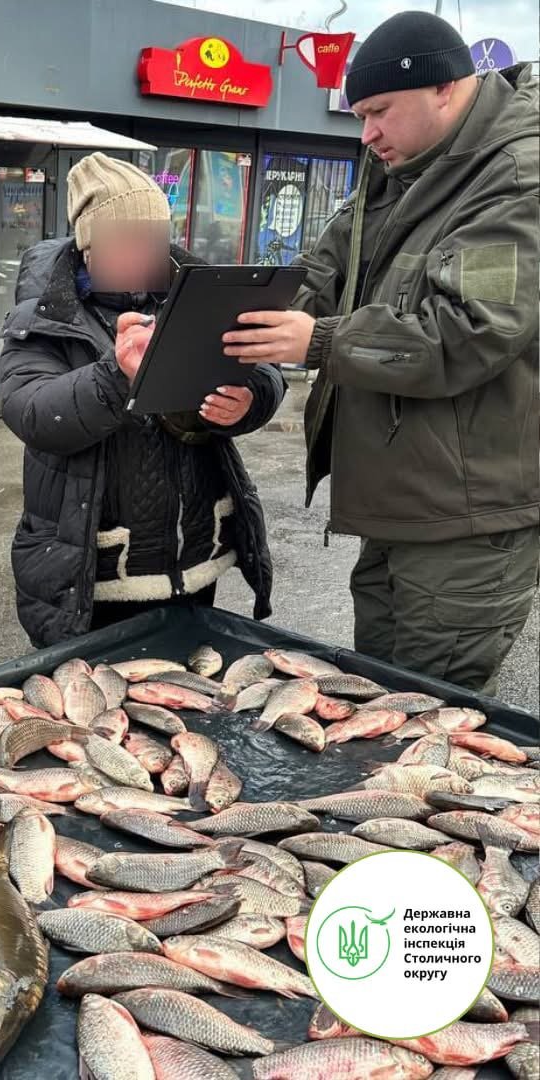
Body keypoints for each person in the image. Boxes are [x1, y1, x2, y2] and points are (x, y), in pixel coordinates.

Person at [223, 11, 539, 694]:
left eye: (378, 113)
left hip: (464, 522)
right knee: (380, 697)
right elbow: (319, 273)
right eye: (359, 115)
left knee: (428, 722)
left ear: (446, 89)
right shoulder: (400, 169)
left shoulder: (516, 176)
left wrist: (323, 340)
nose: (366, 134)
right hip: (402, 507)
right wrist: (202, 307)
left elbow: (469, 330)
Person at [0, 152, 284, 647]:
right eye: (130, 240)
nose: (150, 252)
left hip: (192, 565)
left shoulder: (196, 293)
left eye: (156, 237)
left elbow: (263, 370)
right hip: (93, 574)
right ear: (89, 246)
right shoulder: (45, 316)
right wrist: (117, 375)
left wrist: (249, 401)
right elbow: (32, 412)